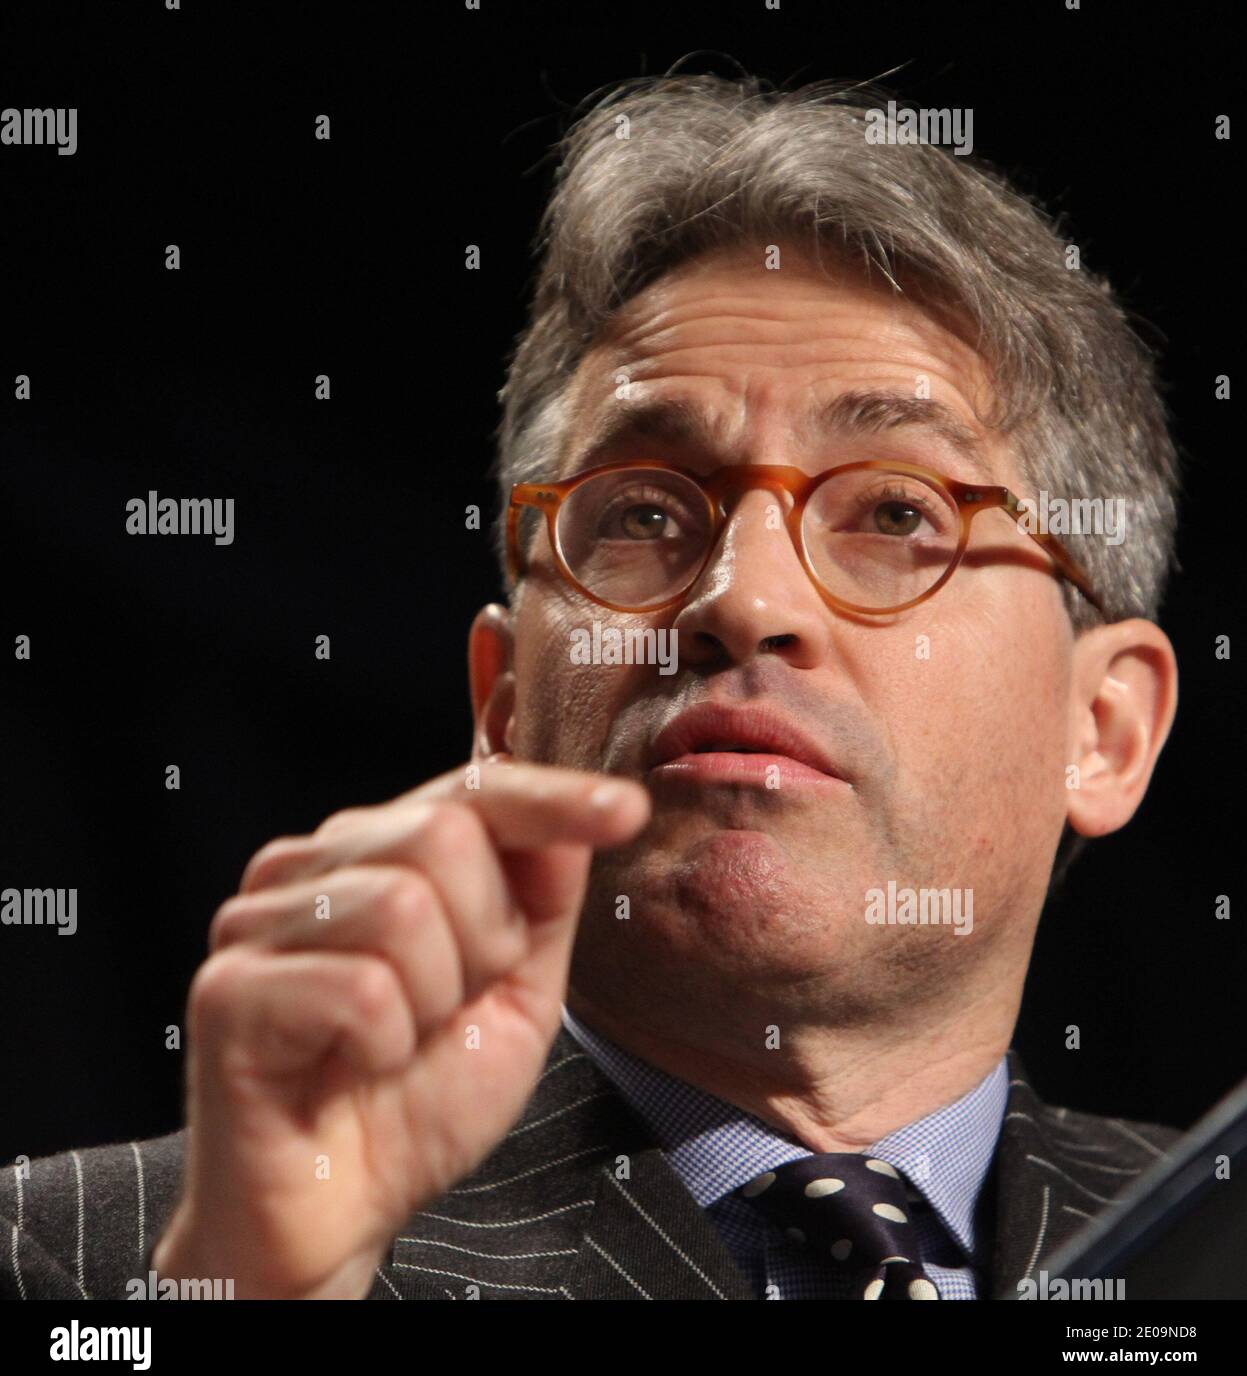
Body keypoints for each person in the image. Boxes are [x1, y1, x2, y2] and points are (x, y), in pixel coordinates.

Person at [1, 72, 1183, 1301]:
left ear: (1100, 730)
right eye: (641, 512)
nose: (744, 600)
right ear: (503, 708)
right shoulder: (79, 1261)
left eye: (895, 510)